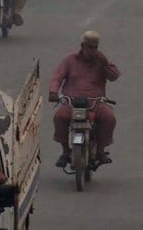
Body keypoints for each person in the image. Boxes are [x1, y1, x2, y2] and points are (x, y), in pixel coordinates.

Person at [48, 31, 121, 168]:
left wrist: (104, 61)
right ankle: (65, 151)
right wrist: (53, 92)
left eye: (95, 48)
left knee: (109, 117)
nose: (92, 51)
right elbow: (57, 77)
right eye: (89, 47)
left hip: (95, 103)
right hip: (72, 102)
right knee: (59, 116)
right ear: (82, 46)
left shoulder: (102, 62)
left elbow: (114, 76)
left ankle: (100, 151)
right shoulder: (70, 60)